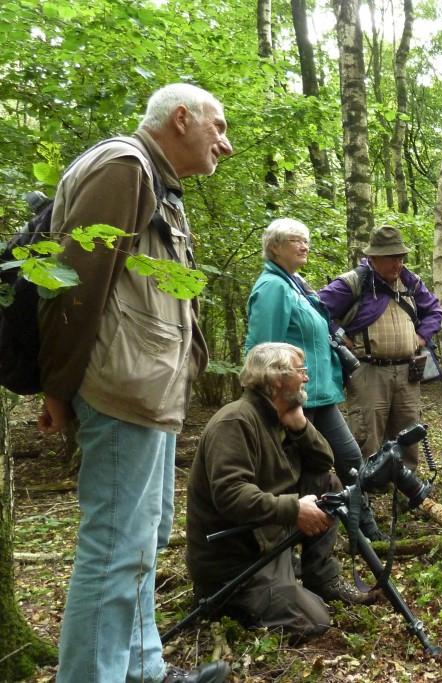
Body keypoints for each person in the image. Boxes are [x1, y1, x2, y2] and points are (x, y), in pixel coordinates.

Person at [36, 84, 232, 683]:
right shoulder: (124, 167)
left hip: (149, 391)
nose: (225, 144)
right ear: (181, 119)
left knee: (143, 540)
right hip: (119, 387)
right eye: (219, 127)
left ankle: (143, 669)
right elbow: (74, 286)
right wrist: (58, 387)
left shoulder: (158, 183)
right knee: (116, 548)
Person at [186, 343, 348, 638]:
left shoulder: (278, 417)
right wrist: (295, 510)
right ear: (276, 379)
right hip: (234, 563)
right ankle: (228, 601)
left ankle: (317, 577)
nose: (306, 377)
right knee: (314, 622)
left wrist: (300, 426)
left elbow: (323, 464)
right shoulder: (235, 421)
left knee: (328, 485)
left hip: (266, 539)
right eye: (300, 371)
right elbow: (231, 495)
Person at [244, 218, 385, 541]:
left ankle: (364, 530)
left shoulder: (296, 285)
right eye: (296, 240)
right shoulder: (272, 288)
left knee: (350, 458)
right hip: (290, 399)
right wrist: (272, 401)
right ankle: (295, 542)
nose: (304, 245)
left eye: (306, 239)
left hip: (319, 396)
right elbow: (263, 350)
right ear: (274, 247)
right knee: (299, 473)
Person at [319, 225, 442, 468]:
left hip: (408, 372)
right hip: (368, 371)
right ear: (374, 258)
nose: (398, 264)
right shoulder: (354, 282)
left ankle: (407, 485)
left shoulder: (410, 282)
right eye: (391, 258)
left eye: (400, 257)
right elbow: (317, 308)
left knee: (409, 434)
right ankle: (368, 487)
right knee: (368, 436)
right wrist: (339, 335)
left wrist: (421, 337)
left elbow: (434, 311)